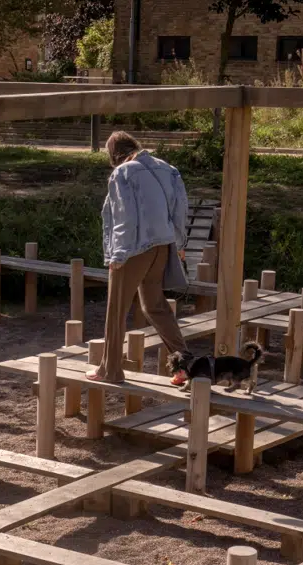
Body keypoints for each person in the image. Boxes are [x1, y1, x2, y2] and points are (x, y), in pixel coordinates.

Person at [87, 131, 192, 385]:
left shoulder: (122, 173)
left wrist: (119, 253)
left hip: (135, 247)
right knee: (155, 306)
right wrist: (178, 243)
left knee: (117, 309)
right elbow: (181, 208)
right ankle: (185, 366)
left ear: (115, 155)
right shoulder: (169, 169)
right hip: (163, 246)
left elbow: (125, 216)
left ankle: (110, 371)